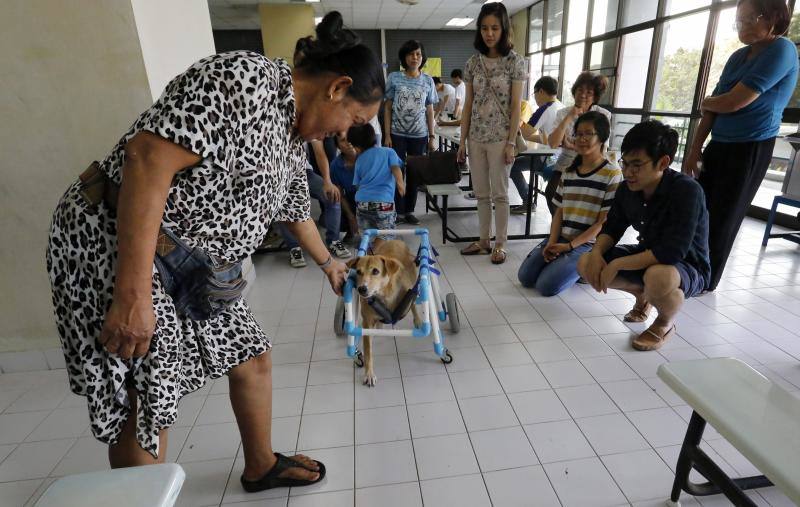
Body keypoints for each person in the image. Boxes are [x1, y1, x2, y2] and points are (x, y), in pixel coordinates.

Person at [45, 11, 384, 491]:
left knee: (252, 355)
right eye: (354, 119)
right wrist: (134, 294)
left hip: (193, 264)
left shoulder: (293, 134)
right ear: (337, 87)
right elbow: (146, 158)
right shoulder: (245, 82)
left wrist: (329, 263)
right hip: (118, 242)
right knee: (148, 394)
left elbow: (291, 207)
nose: (345, 133)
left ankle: (261, 465)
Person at [683, 0, 798, 291]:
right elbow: (713, 109)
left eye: (750, 20)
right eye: (739, 21)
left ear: (773, 18)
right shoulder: (737, 57)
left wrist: (709, 102)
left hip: (751, 147)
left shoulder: (782, 50)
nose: (742, 27)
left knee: (724, 216)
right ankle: (687, 266)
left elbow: (733, 102)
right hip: (719, 144)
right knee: (699, 208)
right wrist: (694, 149)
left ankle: (706, 279)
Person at [578, 121, 710, 351]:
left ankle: (664, 322)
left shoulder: (687, 191)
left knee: (659, 278)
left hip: (685, 265)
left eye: (637, 165)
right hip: (648, 255)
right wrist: (597, 252)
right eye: (625, 163)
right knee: (585, 262)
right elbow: (612, 228)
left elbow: (671, 252)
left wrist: (618, 264)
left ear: (663, 162)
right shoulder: (627, 188)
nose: (628, 172)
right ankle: (644, 296)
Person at [518, 112, 622, 295]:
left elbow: (602, 223)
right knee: (525, 277)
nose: (581, 139)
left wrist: (569, 247)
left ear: (602, 137)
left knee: (546, 287)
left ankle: (584, 269)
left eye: (588, 134)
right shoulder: (569, 172)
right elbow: (559, 211)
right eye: (578, 134)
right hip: (562, 238)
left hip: (587, 245)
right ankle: (565, 263)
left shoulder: (612, 174)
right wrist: (551, 242)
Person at [458, 1, 527, 264]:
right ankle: (483, 240)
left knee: (500, 193)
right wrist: (462, 142)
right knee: (481, 194)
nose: (489, 33)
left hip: (501, 139)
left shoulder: (514, 63)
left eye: (495, 28)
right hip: (476, 137)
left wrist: (511, 142)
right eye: (485, 28)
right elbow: (468, 105)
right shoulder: (473, 63)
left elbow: (515, 107)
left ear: (504, 29)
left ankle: (501, 243)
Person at [384, 39, 438, 225]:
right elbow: (388, 107)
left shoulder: (428, 80)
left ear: (422, 58)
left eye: (418, 54)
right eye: (411, 54)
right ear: (404, 57)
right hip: (397, 134)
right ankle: (397, 211)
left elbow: (430, 110)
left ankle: (409, 211)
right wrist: (387, 135)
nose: (415, 57)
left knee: (414, 174)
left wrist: (432, 136)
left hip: (420, 135)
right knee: (397, 172)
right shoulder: (394, 77)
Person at [546, 72, 611, 216]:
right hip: (566, 163)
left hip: (592, 163)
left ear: (595, 97)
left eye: (589, 92)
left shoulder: (603, 115)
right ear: (574, 91)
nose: (583, 95)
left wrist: (574, 146)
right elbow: (553, 143)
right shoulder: (563, 113)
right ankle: (558, 228)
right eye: (580, 90)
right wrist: (569, 117)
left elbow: (602, 147)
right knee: (551, 191)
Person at [274, 155, 352, 268]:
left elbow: (319, 152)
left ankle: (334, 241)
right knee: (283, 203)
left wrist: (327, 181)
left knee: (333, 195)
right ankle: (294, 247)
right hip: (279, 172)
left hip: (304, 170)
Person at [511, 76, 565, 214]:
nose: (534, 98)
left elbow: (525, 133)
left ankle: (528, 202)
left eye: (534, 94)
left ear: (540, 91)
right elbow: (547, 138)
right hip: (561, 157)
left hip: (548, 161)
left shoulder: (545, 109)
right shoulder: (562, 106)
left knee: (512, 166)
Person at [348, 123, 406, 243]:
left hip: (362, 203)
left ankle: (367, 255)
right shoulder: (389, 152)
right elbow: (396, 167)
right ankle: (377, 252)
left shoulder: (359, 160)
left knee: (366, 236)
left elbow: (357, 185)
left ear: (357, 146)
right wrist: (400, 184)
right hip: (383, 204)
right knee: (386, 235)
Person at [330, 132, 360, 242]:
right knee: (335, 199)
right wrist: (351, 217)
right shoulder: (335, 165)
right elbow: (340, 195)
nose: (348, 143)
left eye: (350, 138)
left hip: (372, 196)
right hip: (352, 197)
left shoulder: (367, 156)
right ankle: (349, 229)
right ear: (338, 147)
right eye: (343, 140)